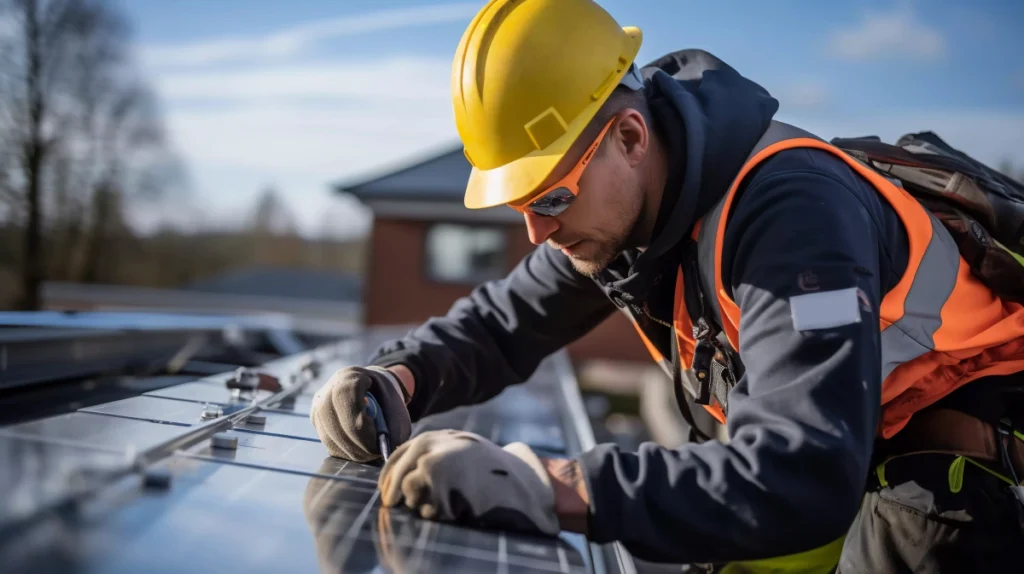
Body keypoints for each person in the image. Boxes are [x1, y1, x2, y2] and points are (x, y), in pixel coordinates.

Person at [310, 0, 1024, 571]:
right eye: (519, 207)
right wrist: (396, 377)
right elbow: (504, 323)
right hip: (844, 463)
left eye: (551, 199)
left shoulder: (794, 216)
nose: (537, 232)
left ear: (629, 137)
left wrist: (549, 485)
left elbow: (800, 475)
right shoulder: (626, 216)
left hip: (958, 481)